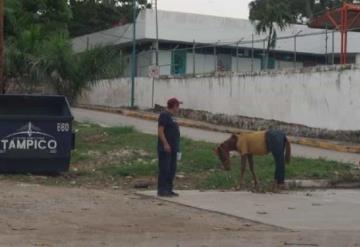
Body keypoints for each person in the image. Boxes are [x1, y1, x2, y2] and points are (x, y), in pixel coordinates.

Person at [157, 98, 182, 197]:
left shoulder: (173, 117)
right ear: (174, 106)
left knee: (172, 169)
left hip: (174, 147)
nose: (179, 109)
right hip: (166, 148)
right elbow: (160, 131)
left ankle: (169, 188)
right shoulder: (164, 115)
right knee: (165, 168)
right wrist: (165, 144)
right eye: (178, 106)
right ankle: (162, 189)